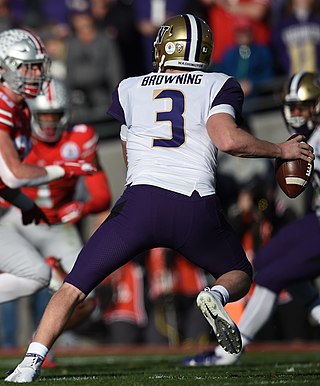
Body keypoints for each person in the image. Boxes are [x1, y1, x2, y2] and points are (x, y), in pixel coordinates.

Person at [4, 14, 314, 383]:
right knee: (240, 274)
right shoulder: (218, 83)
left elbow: (126, 151)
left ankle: (28, 365)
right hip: (194, 204)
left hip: (138, 204)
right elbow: (228, 140)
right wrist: (280, 149)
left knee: (73, 285)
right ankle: (215, 294)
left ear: (166, 45)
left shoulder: (131, 86)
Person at [182, 71, 320, 366]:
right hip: (316, 218)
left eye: (302, 108)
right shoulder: (309, 137)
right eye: (291, 108)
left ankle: (231, 351)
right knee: (268, 259)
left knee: (272, 276)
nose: (295, 115)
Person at [0, 28, 96, 301]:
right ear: (5, 67)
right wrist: (64, 168)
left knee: (36, 275)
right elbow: (14, 174)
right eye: (28, 68)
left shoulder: (19, 109)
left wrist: (24, 204)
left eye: (38, 67)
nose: (36, 74)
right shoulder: (3, 105)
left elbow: (3, 179)